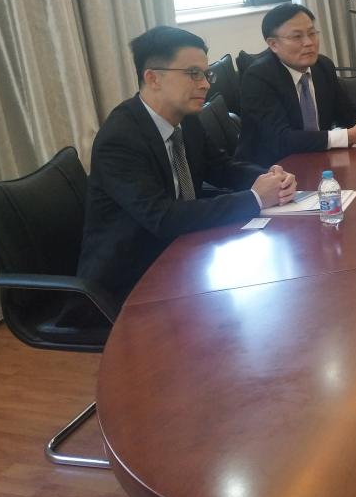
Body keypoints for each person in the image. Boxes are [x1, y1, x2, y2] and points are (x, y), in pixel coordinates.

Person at [78, 26, 296, 313]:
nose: (205, 84)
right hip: (131, 278)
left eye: (206, 74)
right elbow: (163, 217)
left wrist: (270, 176)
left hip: (186, 253)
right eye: (193, 74)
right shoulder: (120, 139)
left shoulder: (186, 118)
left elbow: (221, 168)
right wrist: (254, 198)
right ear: (153, 78)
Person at [236, 3, 356, 166]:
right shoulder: (258, 77)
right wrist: (349, 136)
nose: (308, 42)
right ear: (273, 44)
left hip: (319, 160)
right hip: (270, 169)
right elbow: (280, 140)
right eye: (297, 37)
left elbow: (348, 112)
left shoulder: (322, 66)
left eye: (312, 33)